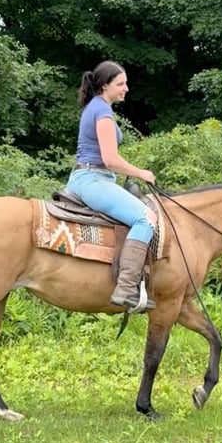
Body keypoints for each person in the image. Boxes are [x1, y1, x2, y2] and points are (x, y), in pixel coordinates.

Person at [66, 60, 157, 310]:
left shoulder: (95, 107)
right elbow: (110, 159)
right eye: (121, 84)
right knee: (146, 218)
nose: (126, 88)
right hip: (93, 180)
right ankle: (126, 288)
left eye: (126, 83)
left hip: (87, 178)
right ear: (105, 86)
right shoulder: (102, 112)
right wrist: (141, 173)